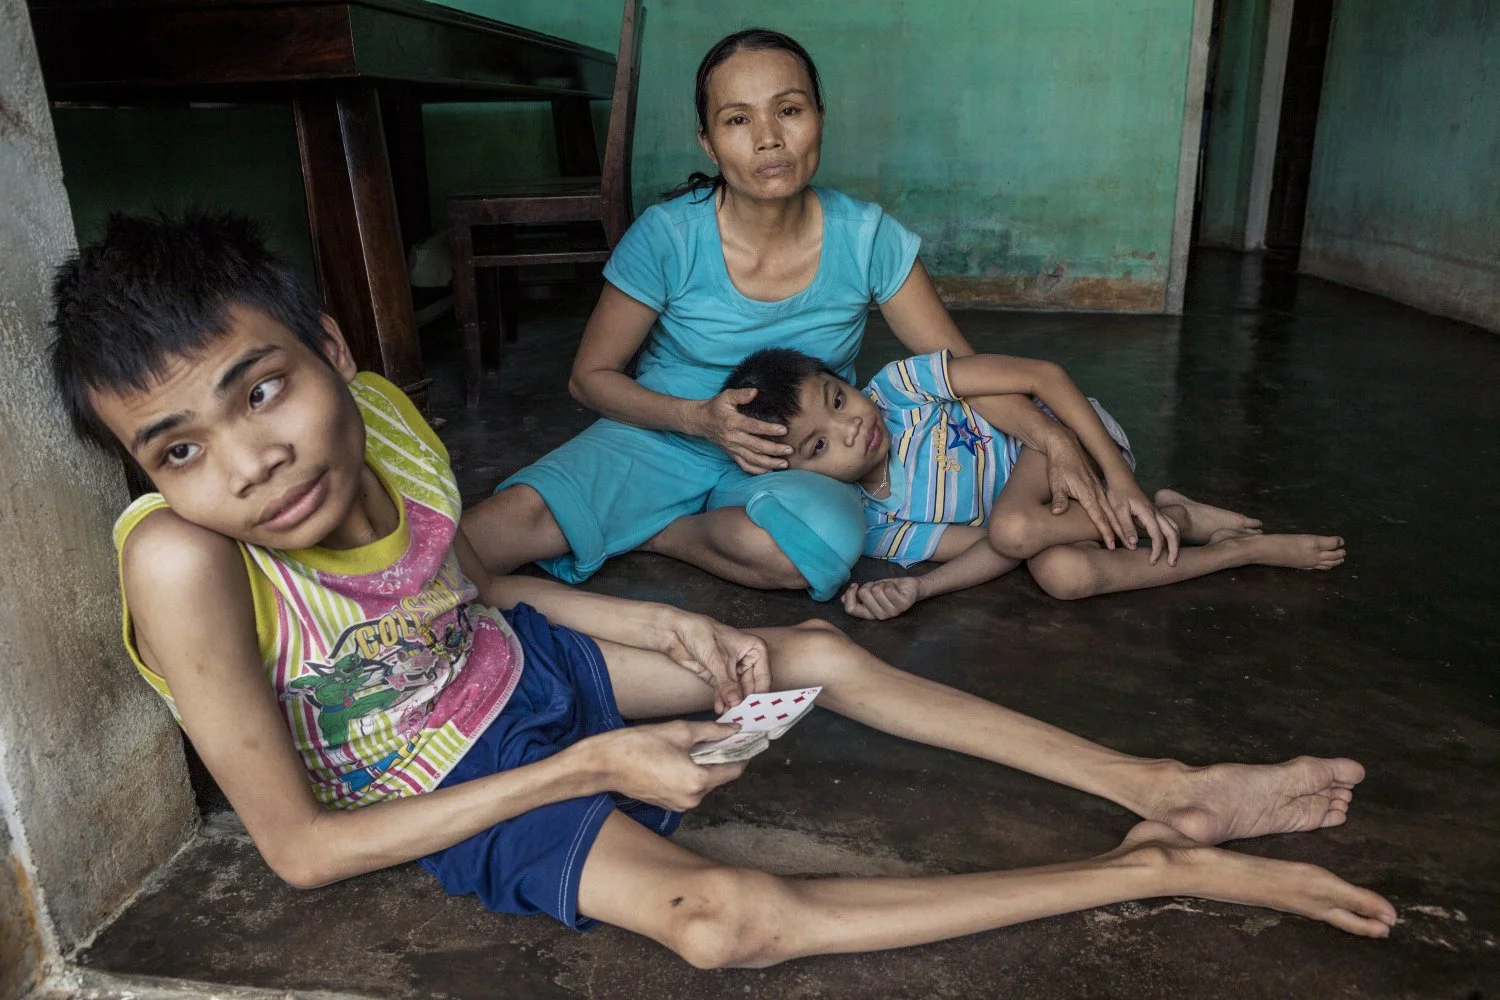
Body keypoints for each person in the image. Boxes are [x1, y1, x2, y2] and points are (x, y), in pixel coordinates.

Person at [48, 210, 1395, 969]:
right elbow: (299, 849)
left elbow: (448, 595)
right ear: (148, 472)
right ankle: (1151, 869)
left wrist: (651, 619)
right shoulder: (185, 559)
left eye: (262, 387)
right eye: (178, 449)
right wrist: (585, 771)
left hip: (513, 671)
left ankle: (1166, 785)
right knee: (726, 923)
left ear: (330, 349)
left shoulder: (386, 419)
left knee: (815, 647)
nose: (249, 460)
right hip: (427, 789)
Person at [460, 28, 1146, 602]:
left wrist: (1049, 438)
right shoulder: (668, 236)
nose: (767, 139)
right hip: (662, 431)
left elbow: (960, 372)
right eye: (737, 119)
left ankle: (648, 528)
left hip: (800, 450)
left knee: (809, 553)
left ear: (819, 115)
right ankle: (647, 506)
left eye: (788, 110)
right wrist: (698, 419)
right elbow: (590, 378)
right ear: (708, 141)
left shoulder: (867, 237)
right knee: (494, 535)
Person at [724, 348, 1347, 620]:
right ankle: (1230, 548)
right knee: (1059, 575)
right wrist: (920, 591)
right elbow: (997, 553)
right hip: (1050, 517)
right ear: (798, 475)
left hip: (1072, 441)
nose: (851, 426)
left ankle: (1168, 518)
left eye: (837, 398)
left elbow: (1043, 377)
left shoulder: (899, 389)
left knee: (1018, 527)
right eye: (819, 445)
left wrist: (1120, 478)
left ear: (843, 378)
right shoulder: (878, 525)